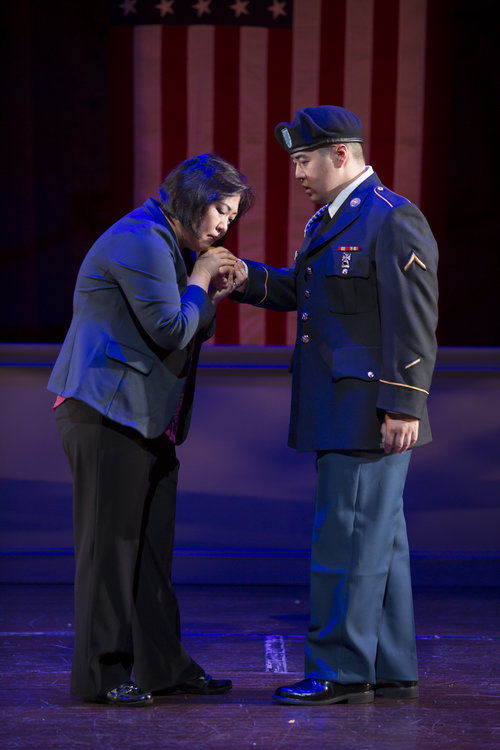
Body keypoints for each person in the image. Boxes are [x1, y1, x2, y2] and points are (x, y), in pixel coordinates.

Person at [232, 106, 438, 705]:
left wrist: (404, 404)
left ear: (340, 155)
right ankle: (388, 664)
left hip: (367, 406)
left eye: (303, 160)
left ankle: (339, 671)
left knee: (344, 541)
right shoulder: (332, 218)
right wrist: (245, 278)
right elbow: (311, 292)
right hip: (342, 403)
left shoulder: (391, 219)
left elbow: (414, 319)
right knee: (379, 543)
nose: (296, 172)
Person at [48, 153, 254, 707]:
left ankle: (164, 668)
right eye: (220, 210)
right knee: (109, 549)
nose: (222, 227)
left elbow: (187, 327)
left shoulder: (167, 245)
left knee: (149, 552)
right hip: (105, 414)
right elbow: (169, 329)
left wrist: (206, 292)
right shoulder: (141, 239)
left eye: (231, 219)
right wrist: (203, 275)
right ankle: (101, 675)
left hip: (145, 419)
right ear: (190, 197)